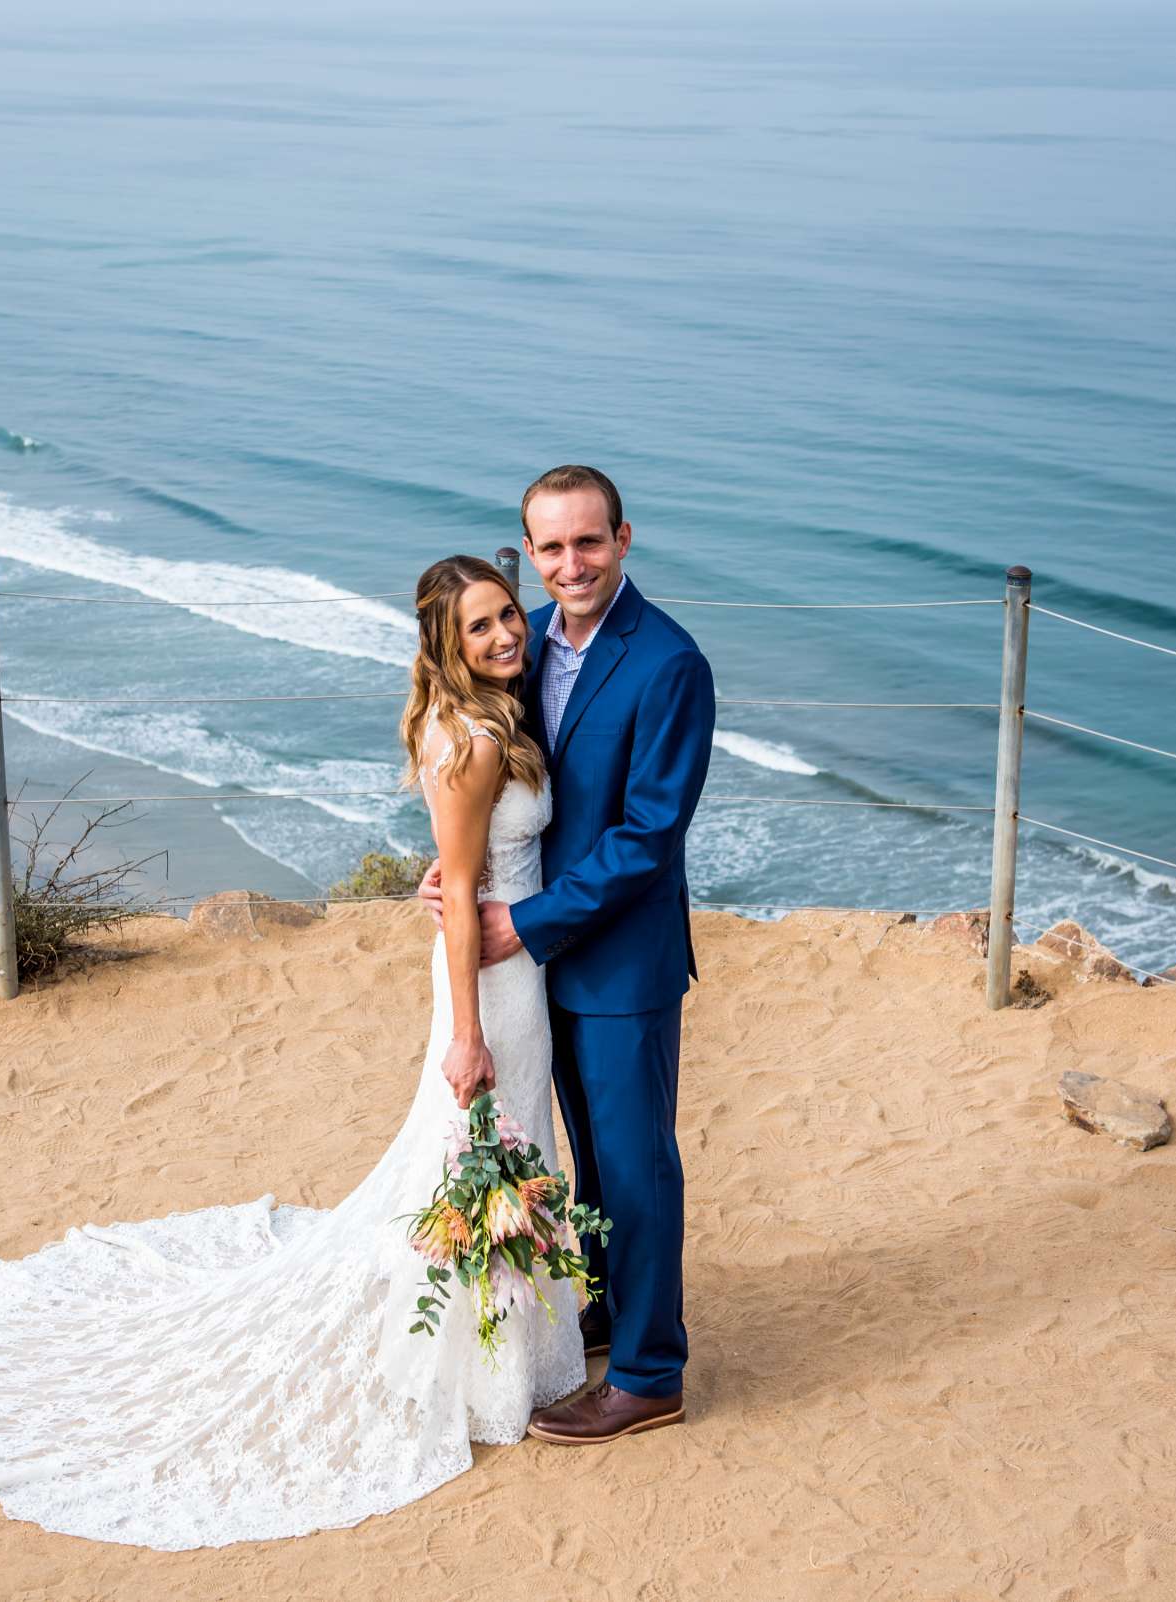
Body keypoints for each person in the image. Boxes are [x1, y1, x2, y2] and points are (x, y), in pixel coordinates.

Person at [0, 554, 584, 1548]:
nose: (508, 635)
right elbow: (460, 898)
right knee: (481, 1148)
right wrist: (466, 1031)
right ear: (444, 645)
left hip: (516, 968)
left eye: (511, 615)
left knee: (500, 1154)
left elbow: (467, 864)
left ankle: (508, 1343)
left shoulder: (482, 719)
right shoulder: (467, 740)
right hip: (491, 981)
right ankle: (484, 1370)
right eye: (482, 626)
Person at [421, 463, 716, 1444]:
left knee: (636, 1168)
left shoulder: (670, 662)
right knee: (586, 1159)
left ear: (624, 540)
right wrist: (450, 870)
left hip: (620, 963)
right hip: (538, 967)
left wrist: (528, 919)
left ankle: (647, 1374)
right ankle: (606, 1308)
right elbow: (488, 775)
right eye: (550, 547)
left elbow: (648, 835)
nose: (569, 564)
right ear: (530, 551)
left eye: (588, 542)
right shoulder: (527, 637)